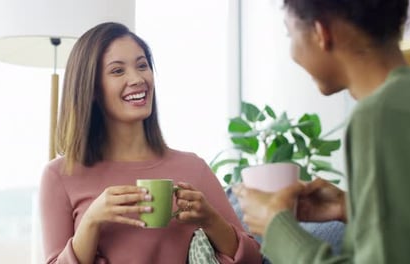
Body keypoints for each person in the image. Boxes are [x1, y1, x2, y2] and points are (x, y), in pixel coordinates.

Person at [39, 22, 262, 264]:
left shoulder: (192, 168)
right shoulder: (59, 176)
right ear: (90, 88)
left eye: (142, 66)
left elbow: (253, 259)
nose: (137, 78)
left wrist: (210, 220)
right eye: (117, 71)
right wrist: (91, 221)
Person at [234, 0, 410, 263]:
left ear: (321, 33)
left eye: (289, 33)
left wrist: (276, 228)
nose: (292, 53)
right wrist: (351, 207)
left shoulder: (380, 115)